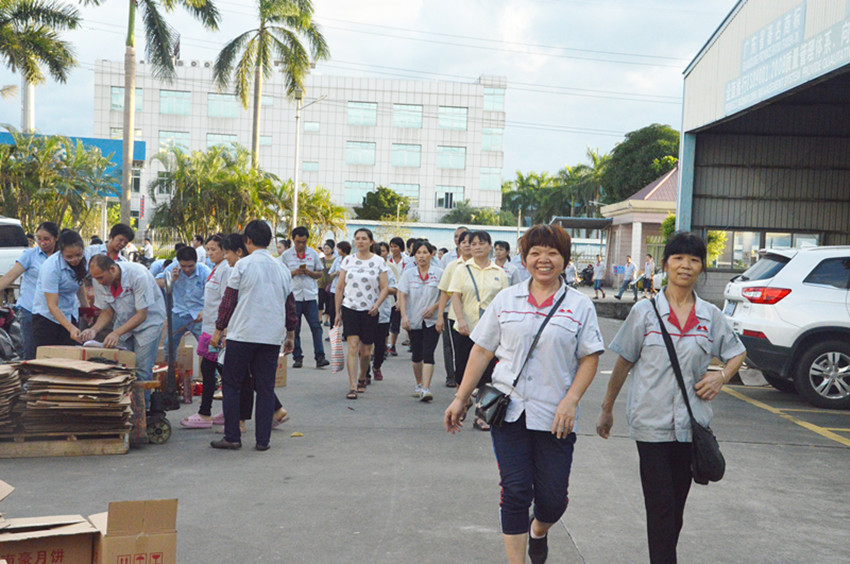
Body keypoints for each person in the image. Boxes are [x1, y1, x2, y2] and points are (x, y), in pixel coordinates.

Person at [445, 224, 604, 564]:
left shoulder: (579, 305)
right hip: (509, 410)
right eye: (535, 253)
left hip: (556, 416)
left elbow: (590, 357)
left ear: (565, 259)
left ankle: (539, 530)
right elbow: (482, 351)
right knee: (515, 491)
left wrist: (571, 400)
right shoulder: (507, 300)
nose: (543, 260)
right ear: (525, 258)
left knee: (552, 500)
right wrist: (461, 398)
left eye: (552, 253)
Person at [596, 232, 747, 564]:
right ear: (664, 264)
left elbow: (737, 352)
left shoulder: (710, 315)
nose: (685, 265)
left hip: (690, 428)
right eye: (678, 258)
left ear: (702, 268)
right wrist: (607, 409)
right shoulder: (644, 312)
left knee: (675, 509)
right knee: (661, 507)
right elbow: (623, 362)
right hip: (650, 425)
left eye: (694, 260)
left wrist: (721, 376)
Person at [210, 221, 295, 451]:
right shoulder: (282, 269)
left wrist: (218, 330)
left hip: (242, 334)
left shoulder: (242, 265)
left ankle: (232, 436)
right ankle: (262, 441)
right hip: (271, 337)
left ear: (247, 241)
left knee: (232, 384)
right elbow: (290, 306)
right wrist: (291, 334)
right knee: (265, 387)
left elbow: (228, 301)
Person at [82, 255, 166, 407]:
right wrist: (94, 330)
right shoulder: (99, 280)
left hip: (148, 323)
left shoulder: (138, 274)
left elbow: (142, 314)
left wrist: (116, 333)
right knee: (120, 365)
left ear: (112, 269)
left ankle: (142, 410)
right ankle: (123, 407)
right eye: (96, 279)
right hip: (123, 321)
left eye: (101, 278)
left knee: (141, 368)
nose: (99, 282)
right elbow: (107, 311)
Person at [448, 230, 509, 430]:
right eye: (473, 244)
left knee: (488, 373)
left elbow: (504, 302)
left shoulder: (499, 272)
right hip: (465, 328)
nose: (477, 247)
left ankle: (482, 414)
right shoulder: (461, 269)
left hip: (490, 331)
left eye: (481, 243)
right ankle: (463, 399)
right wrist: (461, 320)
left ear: (490, 246)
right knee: (462, 368)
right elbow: (456, 296)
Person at [180, 234, 230, 429]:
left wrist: (222, 331)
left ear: (224, 250)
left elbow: (227, 301)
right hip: (210, 327)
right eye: (208, 249)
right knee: (212, 370)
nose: (210, 253)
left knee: (216, 371)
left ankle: (206, 413)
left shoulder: (226, 270)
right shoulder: (216, 269)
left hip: (217, 330)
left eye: (214, 249)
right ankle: (219, 411)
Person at [334, 228, 389, 399]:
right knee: (352, 345)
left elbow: (385, 287)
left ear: (371, 242)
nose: (360, 241)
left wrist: (377, 304)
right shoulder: (348, 260)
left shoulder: (379, 261)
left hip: (370, 311)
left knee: (365, 351)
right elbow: (340, 287)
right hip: (350, 308)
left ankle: (362, 377)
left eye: (364, 238)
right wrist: (337, 312)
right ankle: (352, 386)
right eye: (357, 238)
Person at [0, 222, 59, 359]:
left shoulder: (61, 257)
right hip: (30, 310)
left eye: (46, 239)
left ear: (56, 238)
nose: (42, 243)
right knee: (31, 353)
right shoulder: (30, 255)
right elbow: (9, 276)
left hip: (55, 313)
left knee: (53, 354)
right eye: (39, 238)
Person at [398, 240, 443, 402]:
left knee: (428, 353)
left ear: (431, 254)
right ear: (414, 255)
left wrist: (435, 308)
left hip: (432, 321)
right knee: (417, 355)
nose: (422, 256)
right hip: (414, 319)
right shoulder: (408, 274)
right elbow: (402, 295)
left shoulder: (439, 273)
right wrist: (404, 316)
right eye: (418, 253)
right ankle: (419, 383)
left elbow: (446, 295)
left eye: (425, 252)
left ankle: (426, 388)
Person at [281, 226, 329, 369]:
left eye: (304, 242)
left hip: (310, 296)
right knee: (294, 328)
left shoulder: (313, 253)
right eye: (298, 242)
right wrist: (294, 272)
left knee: (316, 327)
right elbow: (282, 275)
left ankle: (320, 357)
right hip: (294, 296)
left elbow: (320, 273)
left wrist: (310, 273)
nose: (301, 245)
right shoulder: (286, 255)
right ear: (293, 240)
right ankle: (297, 357)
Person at [32, 229, 88, 347]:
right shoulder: (51, 267)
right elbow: (52, 305)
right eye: (69, 257)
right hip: (47, 318)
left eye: (78, 255)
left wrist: (86, 308)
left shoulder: (84, 260)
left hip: (70, 313)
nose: (75, 260)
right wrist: (70, 328)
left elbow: (79, 283)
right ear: (61, 252)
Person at [156, 245, 211, 359]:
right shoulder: (172, 268)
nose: (187, 269)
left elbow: (213, 294)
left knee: (207, 347)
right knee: (169, 345)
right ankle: (171, 367)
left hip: (199, 315)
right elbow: (156, 282)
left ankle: (210, 370)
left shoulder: (204, 271)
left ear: (196, 262)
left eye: (191, 266)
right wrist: (172, 280)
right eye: (183, 266)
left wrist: (205, 310)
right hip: (179, 313)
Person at [435, 230, 473, 388]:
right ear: (459, 245)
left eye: (471, 242)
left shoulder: (484, 266)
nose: (467, 245)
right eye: (464, 242)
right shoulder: (452, 266)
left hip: (478, 317)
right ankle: (458, 383)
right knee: (457, 352)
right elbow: (445, 292)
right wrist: (439, 316)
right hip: (455, 317)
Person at [368, 242, 397, 383]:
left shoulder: (387, 270)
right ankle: (365, 373)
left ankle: (377, 366)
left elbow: (394, 289)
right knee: (364, 343)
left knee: (380, 345)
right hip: (364, 310)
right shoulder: (361, 269)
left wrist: (383, 287)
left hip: (382, 311)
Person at [386, 237, 411, 357]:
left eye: (395, 246)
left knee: (405, 317)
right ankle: (391, 345)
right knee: (392, 319)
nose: (393, 249)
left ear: (401, 248)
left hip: (405, 292)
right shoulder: (387, 261)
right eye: (391, 246)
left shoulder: (407, 261)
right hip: (392, 291)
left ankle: (408, 341)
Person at [326, 241, 350, 328]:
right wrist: (335, 273)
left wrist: (344, 274)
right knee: (333, 311)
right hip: (335, 289)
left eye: (339, 249)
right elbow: (330, 273)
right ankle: (333, 331)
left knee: (346, 313)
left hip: (347, 290)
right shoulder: (337, 260)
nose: (337, 250)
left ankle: (346, 332)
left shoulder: (351, 260)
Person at [318, 239, 335, 326]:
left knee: (329, 303)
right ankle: (319, 318)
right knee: (320, 301)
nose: (326, 250)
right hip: (321, 283)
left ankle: (326, 320)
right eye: (325, 248)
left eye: (328, 248)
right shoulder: (320, 260)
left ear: (332, 250)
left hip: (330, 284)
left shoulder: (335, 260)